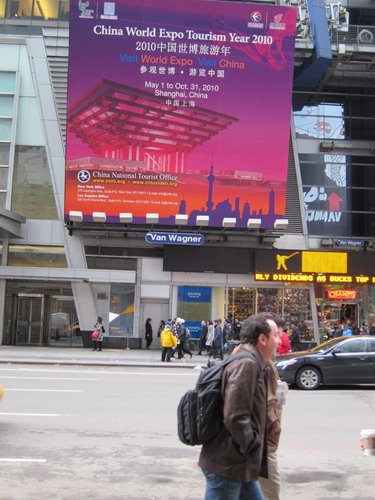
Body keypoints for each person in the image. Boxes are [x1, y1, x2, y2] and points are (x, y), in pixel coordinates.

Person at [198, 314, 280, 499]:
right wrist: (253, 446)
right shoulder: (247, 364)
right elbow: (235, 416)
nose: (279, 339)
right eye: (275, 335)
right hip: (228, 464)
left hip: (239, 463)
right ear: (262, 339)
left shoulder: (254, 362)